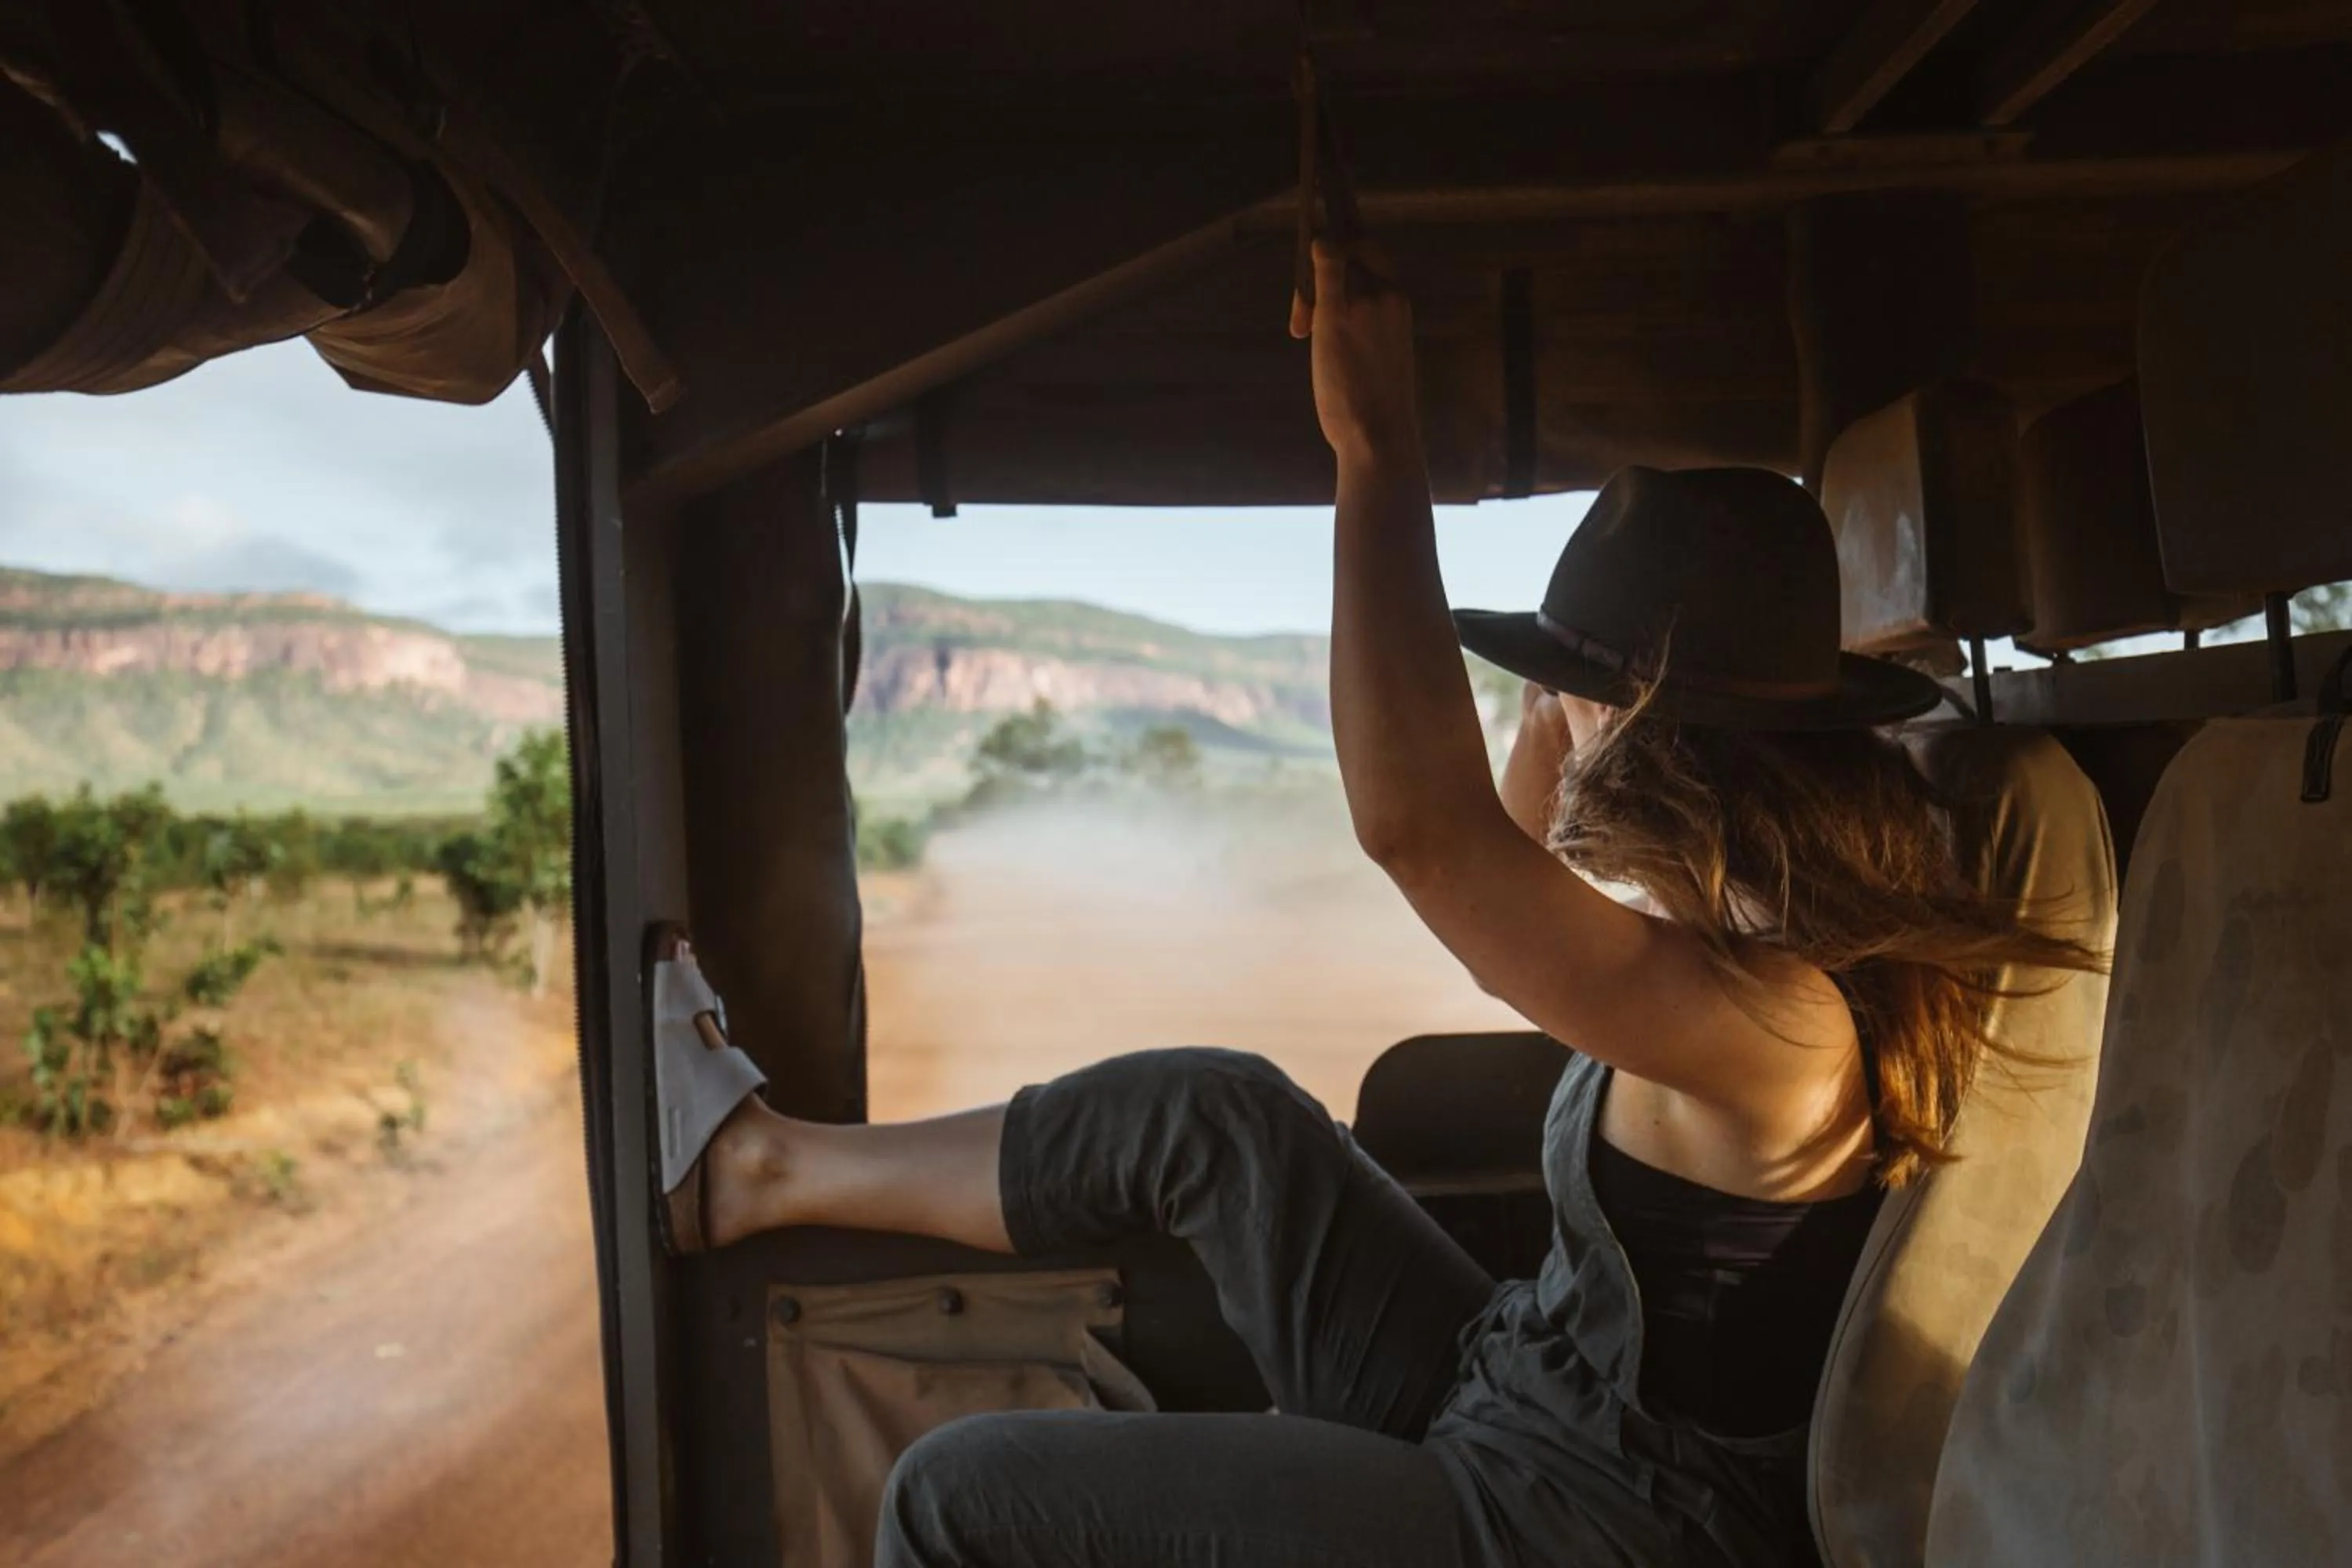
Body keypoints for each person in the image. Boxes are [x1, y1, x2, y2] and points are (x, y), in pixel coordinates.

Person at [648, 242, 2106, 1567]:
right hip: (1517, 1390)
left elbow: (1427, 836)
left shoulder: (1783, 1022)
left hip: (1585, 1526)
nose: (1545, 712)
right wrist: (1564, 704)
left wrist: (1376, 445)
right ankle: (759, 1173)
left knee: (954, 1500)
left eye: (1567, 689)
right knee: (1218, 1118)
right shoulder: (1748, 945)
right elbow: (1500, 893)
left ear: (1661, 731)